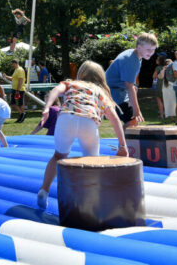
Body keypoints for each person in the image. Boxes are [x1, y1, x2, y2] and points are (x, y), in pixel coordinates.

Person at [36, 61, 128, 209]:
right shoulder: (99, 91)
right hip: (88, 121)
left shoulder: (71, 83)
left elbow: (55, 91)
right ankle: (92, 197)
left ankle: (44, 189)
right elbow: (115, 119)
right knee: (92, 161)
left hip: (66, 118)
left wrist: (47, 108)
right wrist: (122, 145)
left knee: (58, 156)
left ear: (80, 73)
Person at [105, 33, 158, 128]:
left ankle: (124, 142)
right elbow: (129, 87)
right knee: (132, 122)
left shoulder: (134, 55)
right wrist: (136, 110)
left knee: (132, 122)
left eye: (153, 50)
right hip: (112, 93)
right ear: (138, 47)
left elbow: (130, 85)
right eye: (148, 49)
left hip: (117, 91)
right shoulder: (131, 60)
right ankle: (124, 143)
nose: (151, 52)